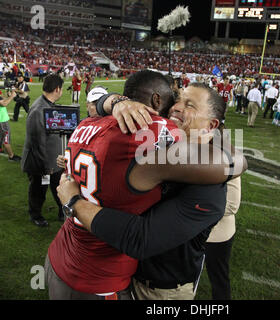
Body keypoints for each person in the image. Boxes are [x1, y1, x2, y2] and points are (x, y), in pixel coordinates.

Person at [49, 72, 246, 300]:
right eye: (177, 99)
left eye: (189, 105)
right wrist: (115, 102)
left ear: (211, 124)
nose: (175, 107)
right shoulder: (154, 142)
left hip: (159, 288)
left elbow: (140, 239)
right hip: (118, 274)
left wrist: (73, 201)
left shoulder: (210, 186)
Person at [21, 74, 65, 227]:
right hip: (41, 163)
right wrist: (46, 167)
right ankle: (35, 215)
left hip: (53, 161)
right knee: (38, 190)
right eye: (61, 89)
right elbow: (37, 143)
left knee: (59, 188)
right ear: (57, 89)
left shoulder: (48, 105)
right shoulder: (39, 109)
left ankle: (62, 210)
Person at [205, 176, 241, 300]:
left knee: (219, 279)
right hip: (192, 231)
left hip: (217, 234)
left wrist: (196, 209)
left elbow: (232, 205)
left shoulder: (228, 159)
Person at [0, 89, 21, 161]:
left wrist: (8, 97)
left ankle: (0, 149)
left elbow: (2, 100)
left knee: (1, 135)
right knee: (6, 138)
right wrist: (12, 96)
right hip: (2, 121)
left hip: (1, 120)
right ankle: (11, 156)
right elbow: (3, 104)